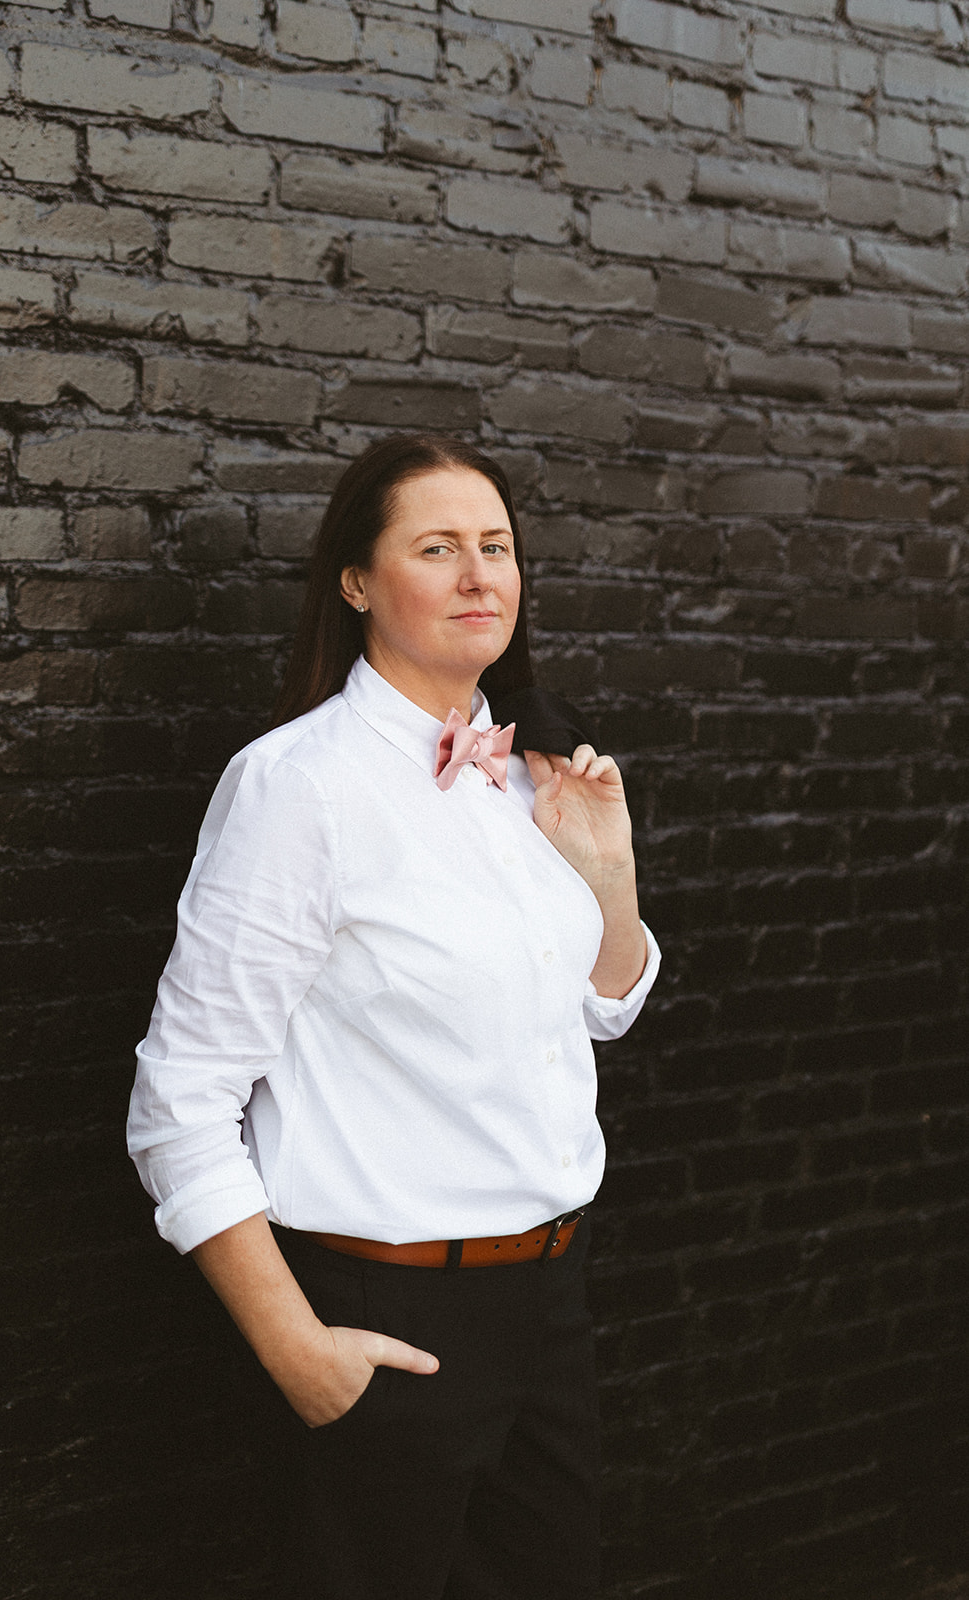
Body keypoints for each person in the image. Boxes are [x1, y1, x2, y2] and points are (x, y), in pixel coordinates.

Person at [127, 433, 660, 1600]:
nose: (480, 577)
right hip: (385, 1317)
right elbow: (178, 1100)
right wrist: (295, 1348)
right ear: (356, 582)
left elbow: (601, 1009)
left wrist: (606, 877)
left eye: (496, 547)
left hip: (546, 1305)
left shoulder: (530, 777)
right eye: (437, 548)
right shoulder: (295, 786)